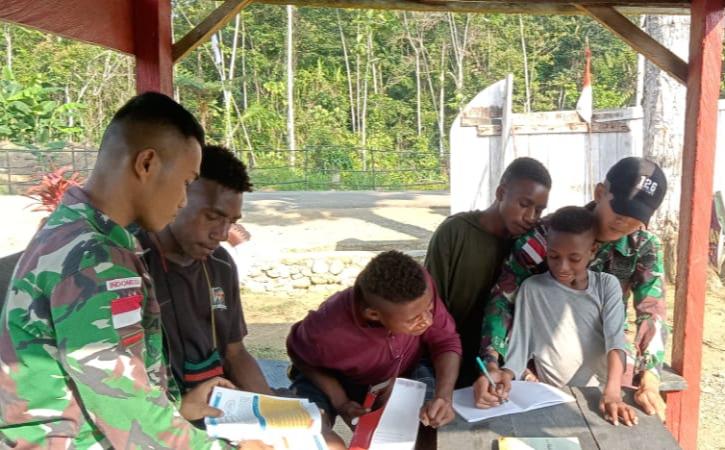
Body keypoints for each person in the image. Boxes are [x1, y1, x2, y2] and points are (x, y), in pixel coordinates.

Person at [0, 92, 264, 449]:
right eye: (186, 183)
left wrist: (179, 407)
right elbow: (127, 414)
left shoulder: (82, 235)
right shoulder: (93, 258)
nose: (183, 200)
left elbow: (113, 388)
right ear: (147, 163)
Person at [477, 157, 668, 420]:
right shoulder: (549, 236)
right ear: (600, 193)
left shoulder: (642, 246)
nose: (625, 223)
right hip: (543, 364)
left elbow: (652, 311)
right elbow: (503, 300)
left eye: (636, 218)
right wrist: (492, 360)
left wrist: (650, 376)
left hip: (609, 364)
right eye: (620, 212)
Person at [137, 145, 271, 396]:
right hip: (160, 410)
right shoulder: (130, 261)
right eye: (212, 217)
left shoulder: (221, 264)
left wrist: (271, 409)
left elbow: (235, 353)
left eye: (231, 222)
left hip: (219, 404)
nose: (222, 234)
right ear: (178, 197)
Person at [287, 250, 462, 431]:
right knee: (308, 428)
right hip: (343, 379)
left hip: (404, 369)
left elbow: (445, 341)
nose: (428, 321)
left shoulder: (419, 286)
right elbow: (300, 356)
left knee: (423, 426)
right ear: (373, 314)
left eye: (430, 308)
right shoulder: (327, 330)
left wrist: (444, 396)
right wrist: (340, 401)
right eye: (413, 319)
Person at [496, 206, 637, 427]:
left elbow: (615, 341)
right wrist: (506, 374)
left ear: (592, 250)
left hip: (600, 393)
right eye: (553, 256)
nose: (562, 267)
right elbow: (520, 347)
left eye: (574, 258)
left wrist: (612, 390)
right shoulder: (533, 289)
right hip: (553, 396)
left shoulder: (605, 286)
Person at [425, 157, 551, 386]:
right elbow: (431, 303)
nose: (531, 217)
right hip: (445, 359)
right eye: (524, 204)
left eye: (539, 210)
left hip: (499, 365)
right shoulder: (455, 232)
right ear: (501, 193)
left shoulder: (529, 248)